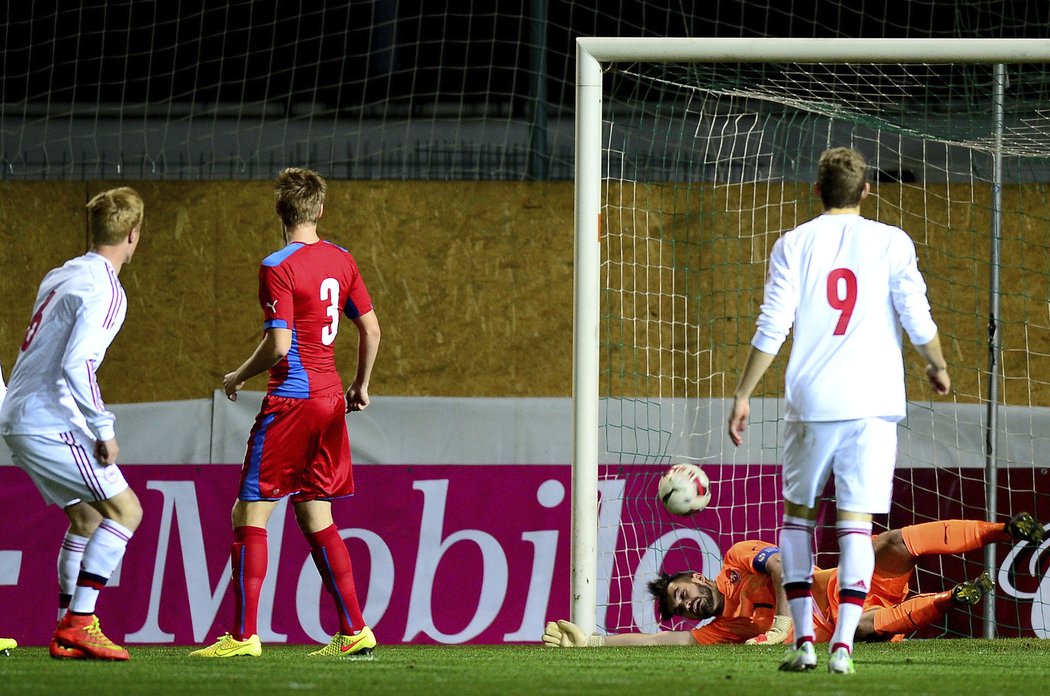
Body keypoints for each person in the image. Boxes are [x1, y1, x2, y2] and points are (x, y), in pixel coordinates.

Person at [726, 146, 952, 674]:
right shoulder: (892, 241)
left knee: (799, 519)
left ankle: (803, 640)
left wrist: (742, 393)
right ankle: (843, 647)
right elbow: (917, 316)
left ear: (816, 190)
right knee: (856, 525)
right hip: (872, 403)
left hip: (812, 401)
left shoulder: (794, 243)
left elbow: (773, 323)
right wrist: (936, 365)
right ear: (866, 191)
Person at [190, 167, 381, 659]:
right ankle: (355, 629)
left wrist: (235, 376)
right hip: (331, 400)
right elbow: (372, 331)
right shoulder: (342, 260)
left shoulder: (278, 264)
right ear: (319, 209)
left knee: (249, 509)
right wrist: (360, 385)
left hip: (292, 400)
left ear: (280, 211)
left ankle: (243, 636)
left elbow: (278, 347)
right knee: (314, 508)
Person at [0, 187, 146, 661]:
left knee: (84, 517)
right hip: (47, 420)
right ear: (133, 235)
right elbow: (78, 362)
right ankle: (80, 623)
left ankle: (67, 627)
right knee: (126, 512)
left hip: (19, 417)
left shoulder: (61, 274)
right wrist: (103, 430)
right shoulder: (106, 288)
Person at [543, 514, 1045, 649]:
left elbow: (784, 568)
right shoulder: (720, 629)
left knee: (889, 544)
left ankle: (1002, 530)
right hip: (850, 619)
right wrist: (595, 639)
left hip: (838, 581)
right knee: (864, 628)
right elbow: (662, 637)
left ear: (697, 575)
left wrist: (785, 623)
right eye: (681, 606)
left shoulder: (738, 559)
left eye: (683, 594)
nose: (688, 605)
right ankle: (952, 597)